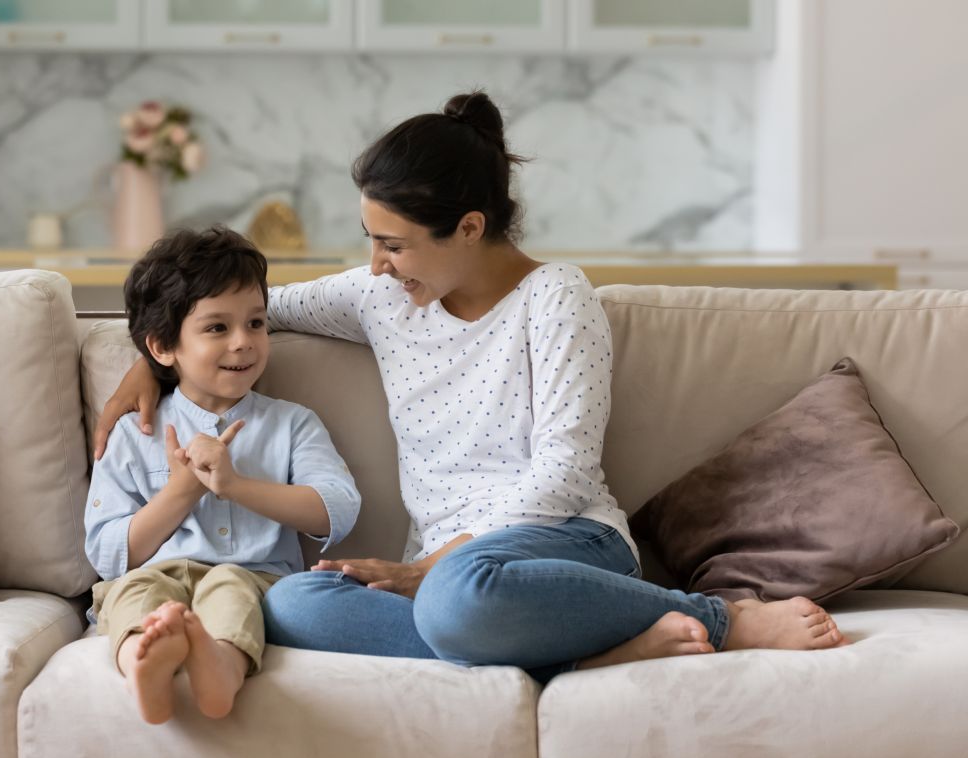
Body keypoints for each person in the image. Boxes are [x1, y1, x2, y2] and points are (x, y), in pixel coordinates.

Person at [94, 92, 844, 683]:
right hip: (449, 576)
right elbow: (240, 312)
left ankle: (718, 620)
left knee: (460, 598)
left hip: (561, 545)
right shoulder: (379, 296)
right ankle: (580, 660)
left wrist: (434, 564)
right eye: (371, 241)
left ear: (469, 228)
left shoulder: (556, 299)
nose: (378, 265)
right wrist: (147, 363)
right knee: (291, 603)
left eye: (393, 243)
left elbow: (564, 473)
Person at [85, 226, 360, 724]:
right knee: (133, 595)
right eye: (217, 328)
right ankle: (143, 663)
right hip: (153, 574)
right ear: (164, 348)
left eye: (256, 323)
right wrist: (180, 492)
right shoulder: (133, 434)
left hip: (254, 578)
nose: (243, 343)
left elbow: (336, 509)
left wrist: (234, 487)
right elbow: (108, 555)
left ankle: (219, 671)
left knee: (230, 588)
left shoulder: (291, 422)